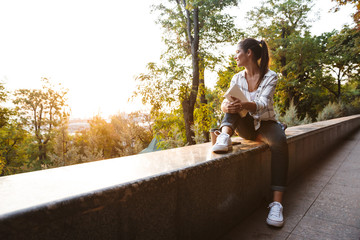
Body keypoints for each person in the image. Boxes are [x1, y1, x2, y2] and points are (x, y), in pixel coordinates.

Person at [212, 38, 289, 228]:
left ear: (249, 53)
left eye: (237, 52)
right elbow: (224, 103)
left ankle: (277, 204)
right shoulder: (237, 77)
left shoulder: (271, 76)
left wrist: (243, 103)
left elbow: (262, 104)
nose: (235, 55)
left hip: (265, 124)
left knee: (280, 142)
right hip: (244, 125)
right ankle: (225, 136)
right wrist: (228, 105)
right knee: (232, 107)